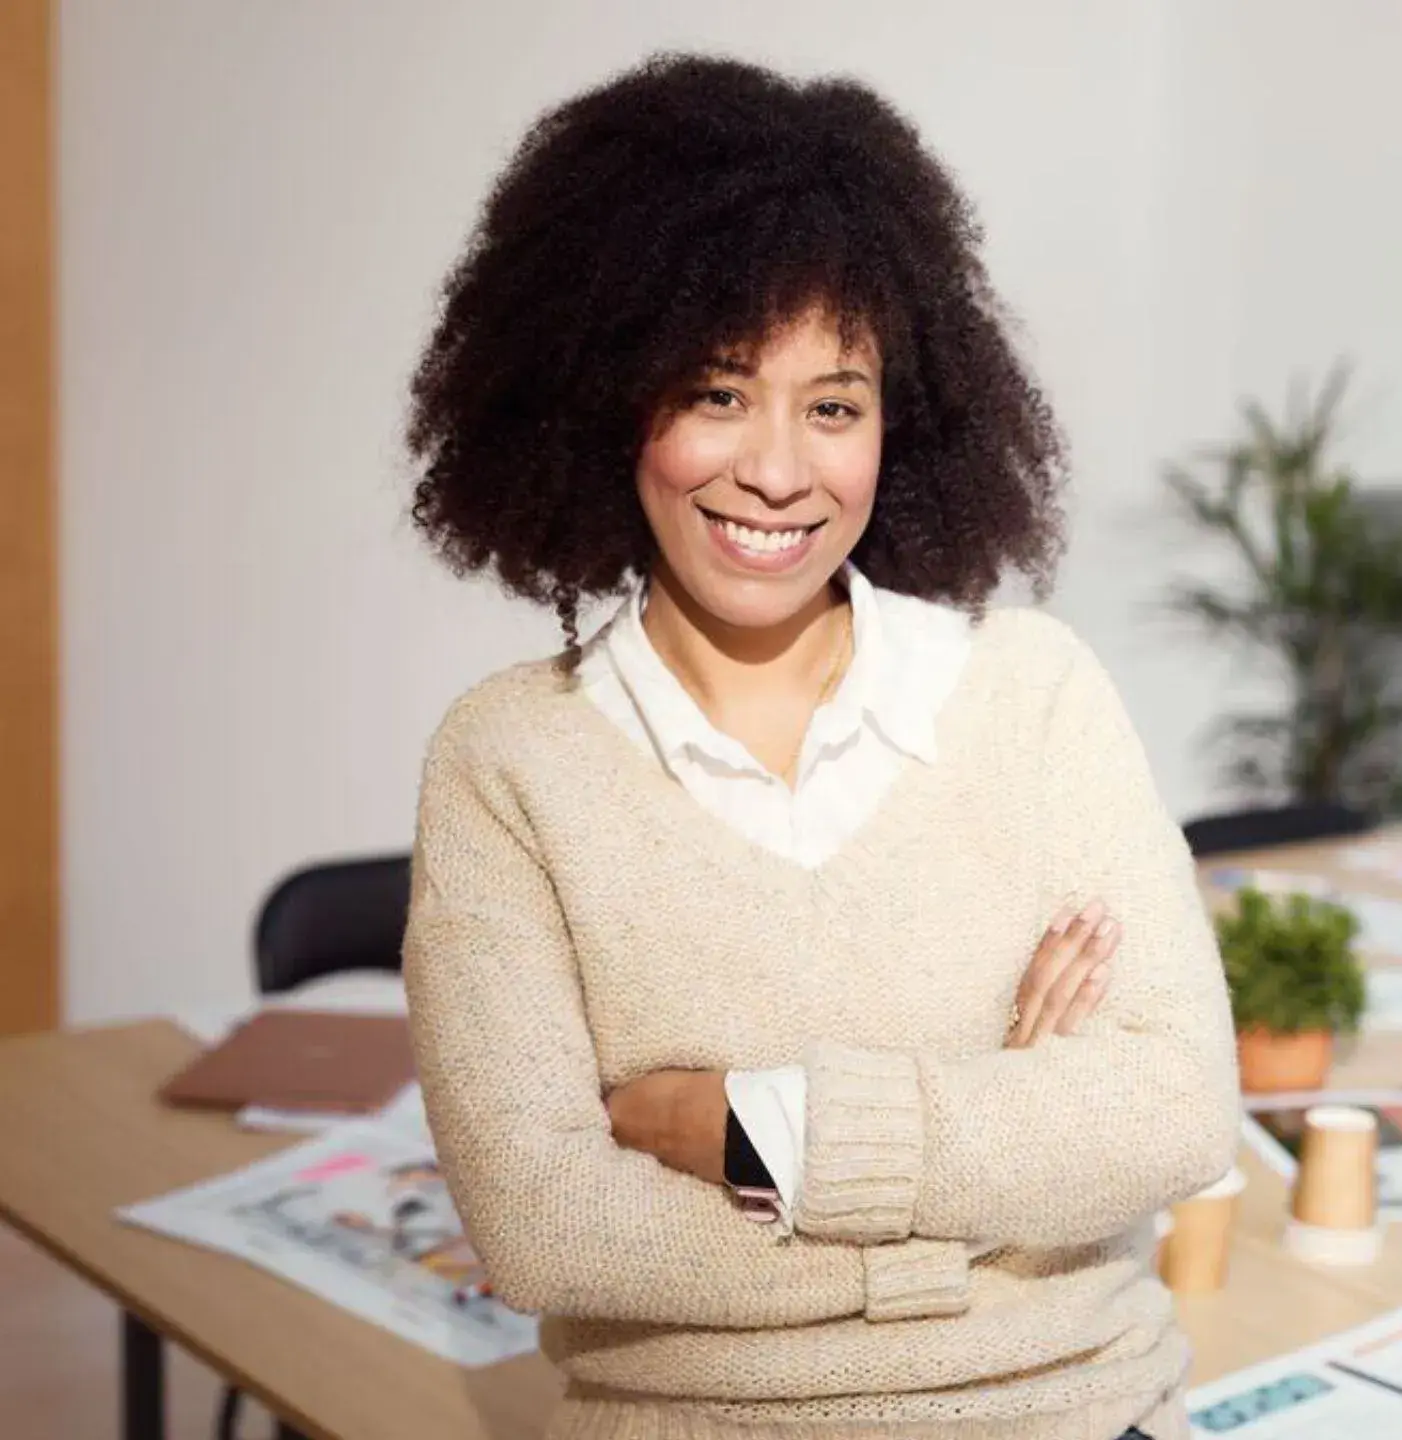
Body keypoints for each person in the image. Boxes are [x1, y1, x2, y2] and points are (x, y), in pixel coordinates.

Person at [400, 51, 1240, 1440]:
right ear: (609, 401)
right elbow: (543, 1227)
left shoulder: (1030, 695)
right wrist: (981, 1179)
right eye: (719, 393)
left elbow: (1171, 1112)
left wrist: (750, 1132)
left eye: (832, 405)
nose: (780, 471)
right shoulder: (511, 762)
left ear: (898, 425)